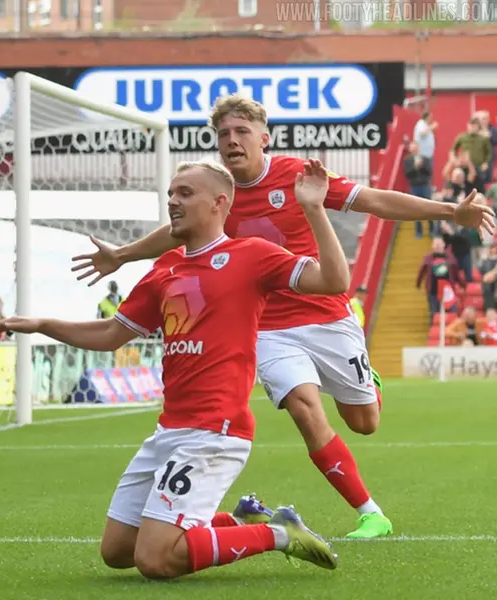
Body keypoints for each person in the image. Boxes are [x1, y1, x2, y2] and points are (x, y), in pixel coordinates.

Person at [71, 94, 495, 540]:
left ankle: (368, 383)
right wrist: (123, 254)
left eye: (241, 132)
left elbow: (373, 200)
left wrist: (452, 211)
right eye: (222, 135)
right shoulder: (218, 195)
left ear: (263, 138)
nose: (231, 141)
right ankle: (370, 512)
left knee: (364, 422)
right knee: (303, 408)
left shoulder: (297, 176)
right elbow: (176, 234)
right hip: (269, 327)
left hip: (327, 314)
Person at [0, 159, 346, 580]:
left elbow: (333, 281)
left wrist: (314, 209)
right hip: (169, 430)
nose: (173, 202)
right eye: (171, 194)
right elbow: (110, 334)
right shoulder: (165, 268)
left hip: (216, 431)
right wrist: (42, 325)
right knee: (119, 551)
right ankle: (238, 522)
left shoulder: (251, 256)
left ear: (219, 204)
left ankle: (278, 534)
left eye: (185, 193)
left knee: (155, 560)